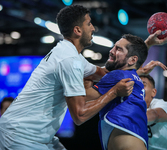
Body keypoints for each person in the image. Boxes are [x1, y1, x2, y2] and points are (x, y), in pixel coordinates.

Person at [0, 5, 134, 150]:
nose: (93, 28)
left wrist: (135, 69)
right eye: (89, 23)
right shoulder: (69, 59)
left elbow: (102, 73)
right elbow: (79, 115)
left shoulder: (71, 54)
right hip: (20, 136)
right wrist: (114, 92)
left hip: (36, 135)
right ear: (77, 30)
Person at [84, 33, 167, 150]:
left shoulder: (117, 75)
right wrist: (148, 43)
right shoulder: (134, 77)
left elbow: (81, 98)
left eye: (118, 49)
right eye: (114, 46)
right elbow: (134, 60)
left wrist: (86, 76)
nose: (111, 50)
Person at [139, 74, 167, 150]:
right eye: (136, 85)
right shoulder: (130, 108)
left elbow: (155, 115)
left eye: (143, 85)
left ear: (153, 92)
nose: (139, 88)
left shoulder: (164, 105)